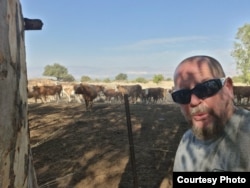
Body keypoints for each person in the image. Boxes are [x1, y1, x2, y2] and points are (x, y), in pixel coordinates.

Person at [171, 55, 250, 171]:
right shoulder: (187, 140)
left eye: (205, 88)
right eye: (182, 95)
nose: (194, 102)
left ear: (228, 88)